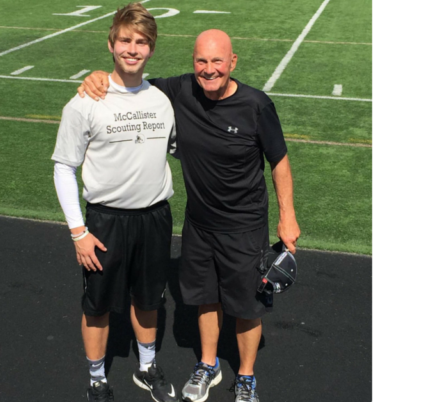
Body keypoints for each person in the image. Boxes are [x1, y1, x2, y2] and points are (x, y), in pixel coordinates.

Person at [79, 29, 300, 402]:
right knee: (205, 297)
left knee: (247, 306)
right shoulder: (180, 90)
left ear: (233, 62)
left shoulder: (256, 105)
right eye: (201, 61)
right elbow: (132, 82)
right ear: (192, 63)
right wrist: (98, 76)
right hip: (198, 224)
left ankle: (246, 377)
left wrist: (287, 216)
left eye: (217, 61)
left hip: (245, 225)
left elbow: (278, 161)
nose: (209, 69)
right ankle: (208, 365)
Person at [51, 3, 179, 402]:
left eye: (142, 42)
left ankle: (146, 367)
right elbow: (63, 168)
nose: (133, 48)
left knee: (148, 298)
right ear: (111, 43)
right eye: (125, 40)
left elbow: (178, 149)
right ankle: (96, 378)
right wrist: (78, 232)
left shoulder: (161, 99)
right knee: (98, 304)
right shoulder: (85, 101)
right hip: (106, 221)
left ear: (151, 49)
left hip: (155, 217)